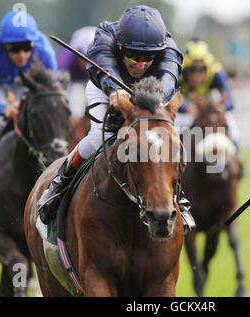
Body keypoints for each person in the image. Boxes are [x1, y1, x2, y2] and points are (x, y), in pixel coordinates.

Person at [38, 5, 195, 233]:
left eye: (148, 58)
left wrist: (152, 100)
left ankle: (177, 197)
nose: (140, 65)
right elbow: (103, 65)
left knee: (166, 142)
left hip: (150, 93)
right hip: (105, 87)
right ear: (120, 47)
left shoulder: (167, 45)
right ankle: (58, 184)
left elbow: (169, 77)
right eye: (133, 57)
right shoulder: (105, 35)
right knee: (99, 138)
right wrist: (113, 89)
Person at [0, 10, 56, 163]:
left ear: (34, 43)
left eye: (27, 47)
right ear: (3, 44)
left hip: (24, 82)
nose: (22, 55)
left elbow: (51, 94)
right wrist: (5, 109)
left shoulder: (44, 51)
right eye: (14, 48)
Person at [176, 39, 241, 149]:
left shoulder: (217, 72)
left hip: (211, 105)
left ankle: (238, 163)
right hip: (188, 107)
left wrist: (217, 107)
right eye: (192, 70)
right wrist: (186, 108)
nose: (197, 75)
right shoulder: (177, 72)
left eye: (201, 69)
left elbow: (230, 102)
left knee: (233, 132)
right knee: (174, 130)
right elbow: (168, 98)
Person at [57, 26, 96, 138]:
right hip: (71, 81)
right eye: (86, 60)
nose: (89, 66)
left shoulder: (104, 59)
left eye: (93, 61)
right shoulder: (66, 60)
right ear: (79, 55)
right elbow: (60, 90)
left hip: (88, 81)